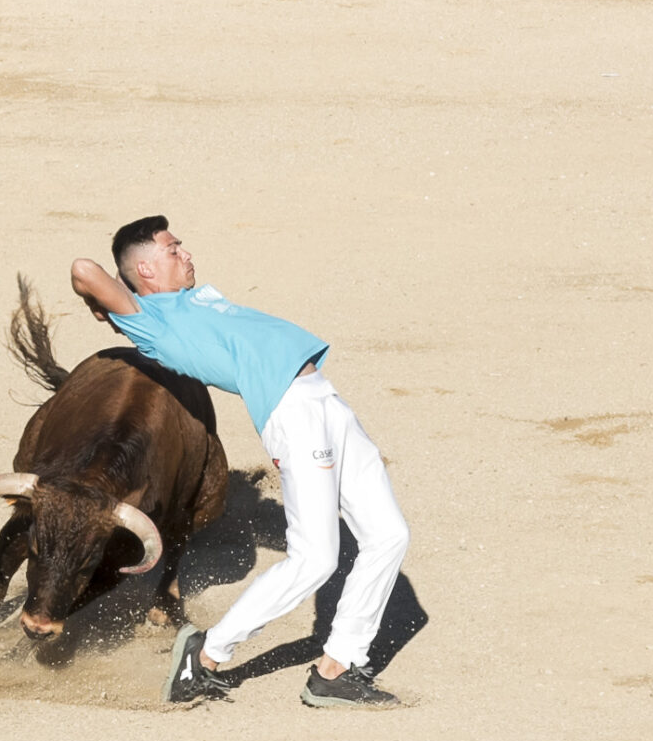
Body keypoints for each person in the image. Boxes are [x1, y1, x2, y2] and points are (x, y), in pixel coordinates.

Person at [71, 218, 411, 709]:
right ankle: (206, 654)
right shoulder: (148, 317)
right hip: (292, 413)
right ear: (144, 268)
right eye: (173, 250)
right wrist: (104, 303)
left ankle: (335, 670)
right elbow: (85, 269)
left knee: (388, 535)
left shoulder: (186, 299)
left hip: (326, 402)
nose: (186, 254)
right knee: (315, 557)